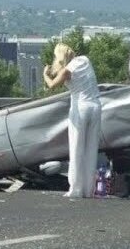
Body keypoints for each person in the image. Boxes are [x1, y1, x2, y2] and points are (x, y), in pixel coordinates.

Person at [43, 43, 102, 198]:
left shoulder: (67, 70)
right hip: (96, 106)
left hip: (80, 108)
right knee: (91, 149)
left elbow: (52, 86)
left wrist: (45, 75)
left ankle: (75, 189)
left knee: (77, 149)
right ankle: (89, 190)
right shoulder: (84, 60)